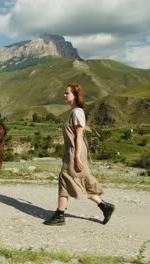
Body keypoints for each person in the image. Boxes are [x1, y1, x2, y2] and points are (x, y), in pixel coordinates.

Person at [44, 83, 115, 226]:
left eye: (67, 93)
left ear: (75, 96)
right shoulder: (74, 112)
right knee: (75, 180)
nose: (64, 95)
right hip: (71, 150)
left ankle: (59, 215)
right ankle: (104, 206)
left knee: (67, 179)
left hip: (75, 151)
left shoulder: (77, 112)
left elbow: (79, 135)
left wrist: (76, 157)